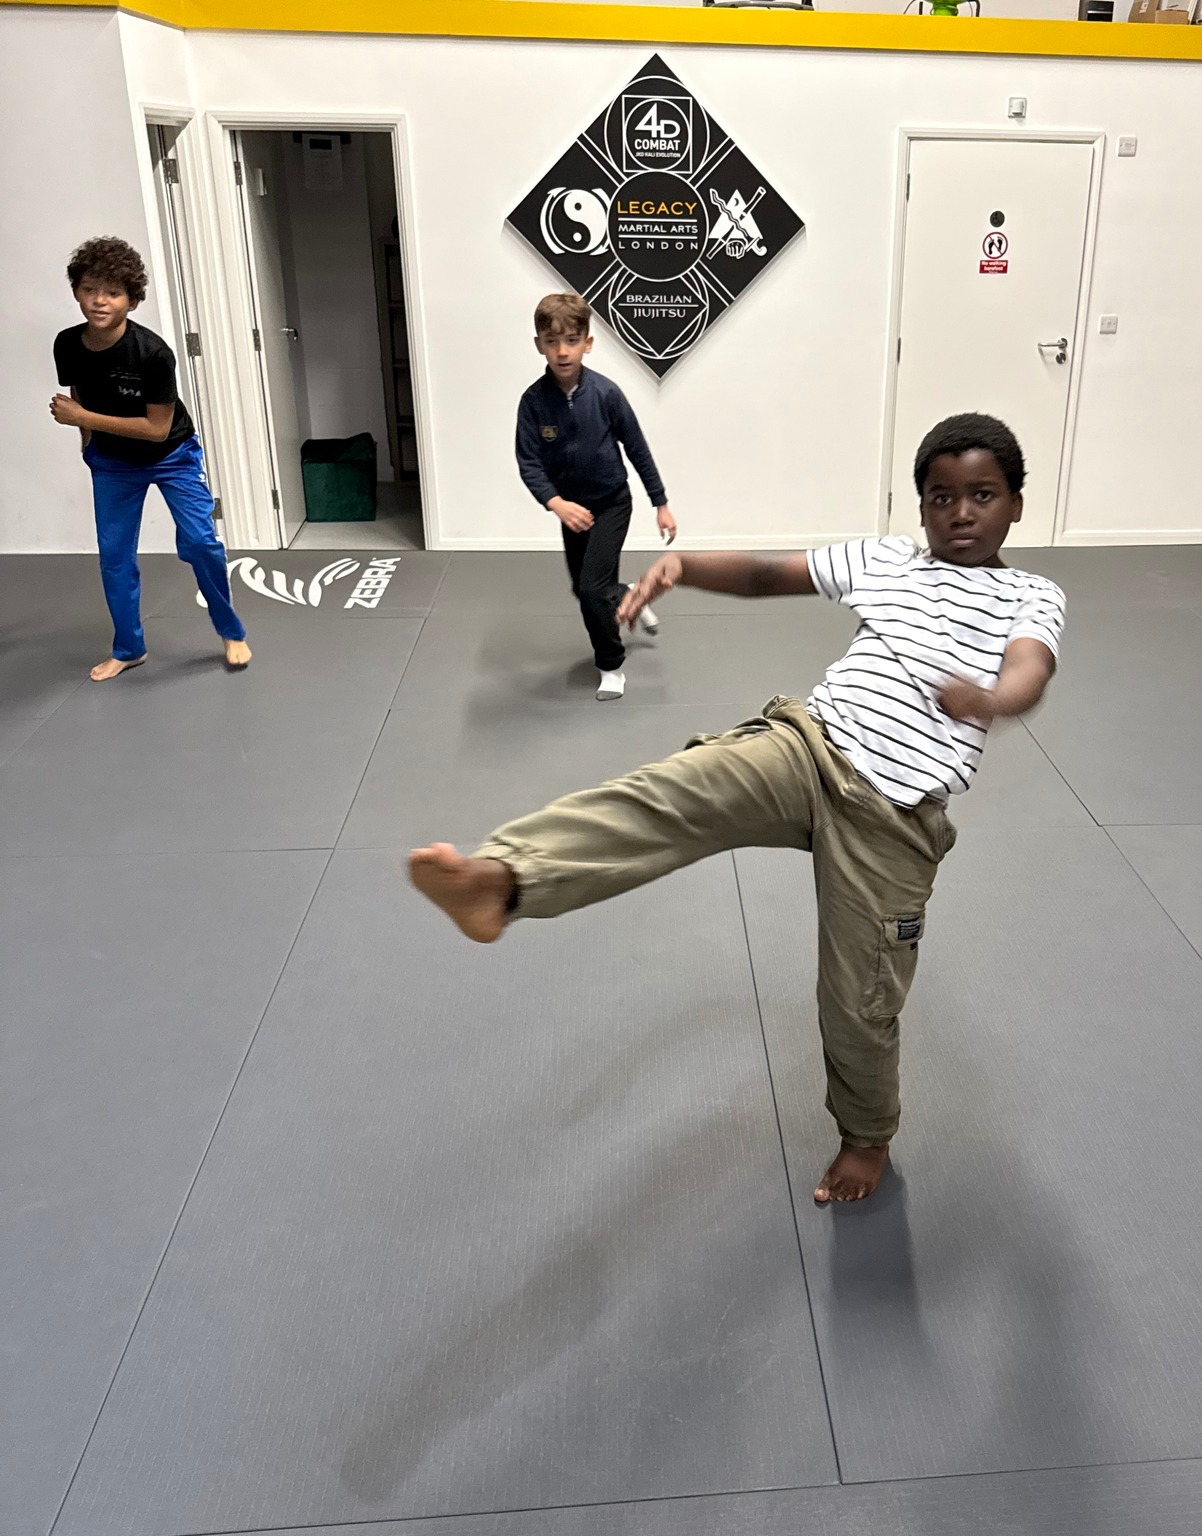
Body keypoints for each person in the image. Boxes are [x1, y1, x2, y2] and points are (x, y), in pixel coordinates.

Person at [411, 414, 1065, 1203]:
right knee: (674, 791)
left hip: (893, 821)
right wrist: (684, 564)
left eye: (983, 496)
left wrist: (994, 697)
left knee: (859, 1000)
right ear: (920, 507)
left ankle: (867, 1139)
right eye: (941, 497)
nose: (961, 513)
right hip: (811, 748)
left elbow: (1031, 667)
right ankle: (505, 879)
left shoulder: (1030, 594)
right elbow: (764, 574)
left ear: (1017, 505)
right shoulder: (888, 560)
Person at [49, 236, 249, 681]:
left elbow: (156, 428)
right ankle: (129, 648)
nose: (99, 301)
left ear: (132, 300)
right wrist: (88, 443)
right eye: (89, 289)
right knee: (114, 557)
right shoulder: (67, 344)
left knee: (201, 544)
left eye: (113, 292)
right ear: (76, 290)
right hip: (112, 463)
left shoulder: (153, 353)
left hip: (171, 455)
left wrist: (83, 418)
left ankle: (231, 631)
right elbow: (80, 392)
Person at [515, 292, 677, 701]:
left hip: (611, 503)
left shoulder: (606, 394)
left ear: (588, 343)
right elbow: (529, 462)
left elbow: (636, 449)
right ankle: (626, 594)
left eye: (571, 340)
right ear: (539, 345)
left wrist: (661, 504)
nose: (562, 351)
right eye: (552, 342)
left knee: (590, 589)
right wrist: (556, 502)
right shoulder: (533, 403)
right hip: (571, 511)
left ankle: (611, 665)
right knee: (586, 589)